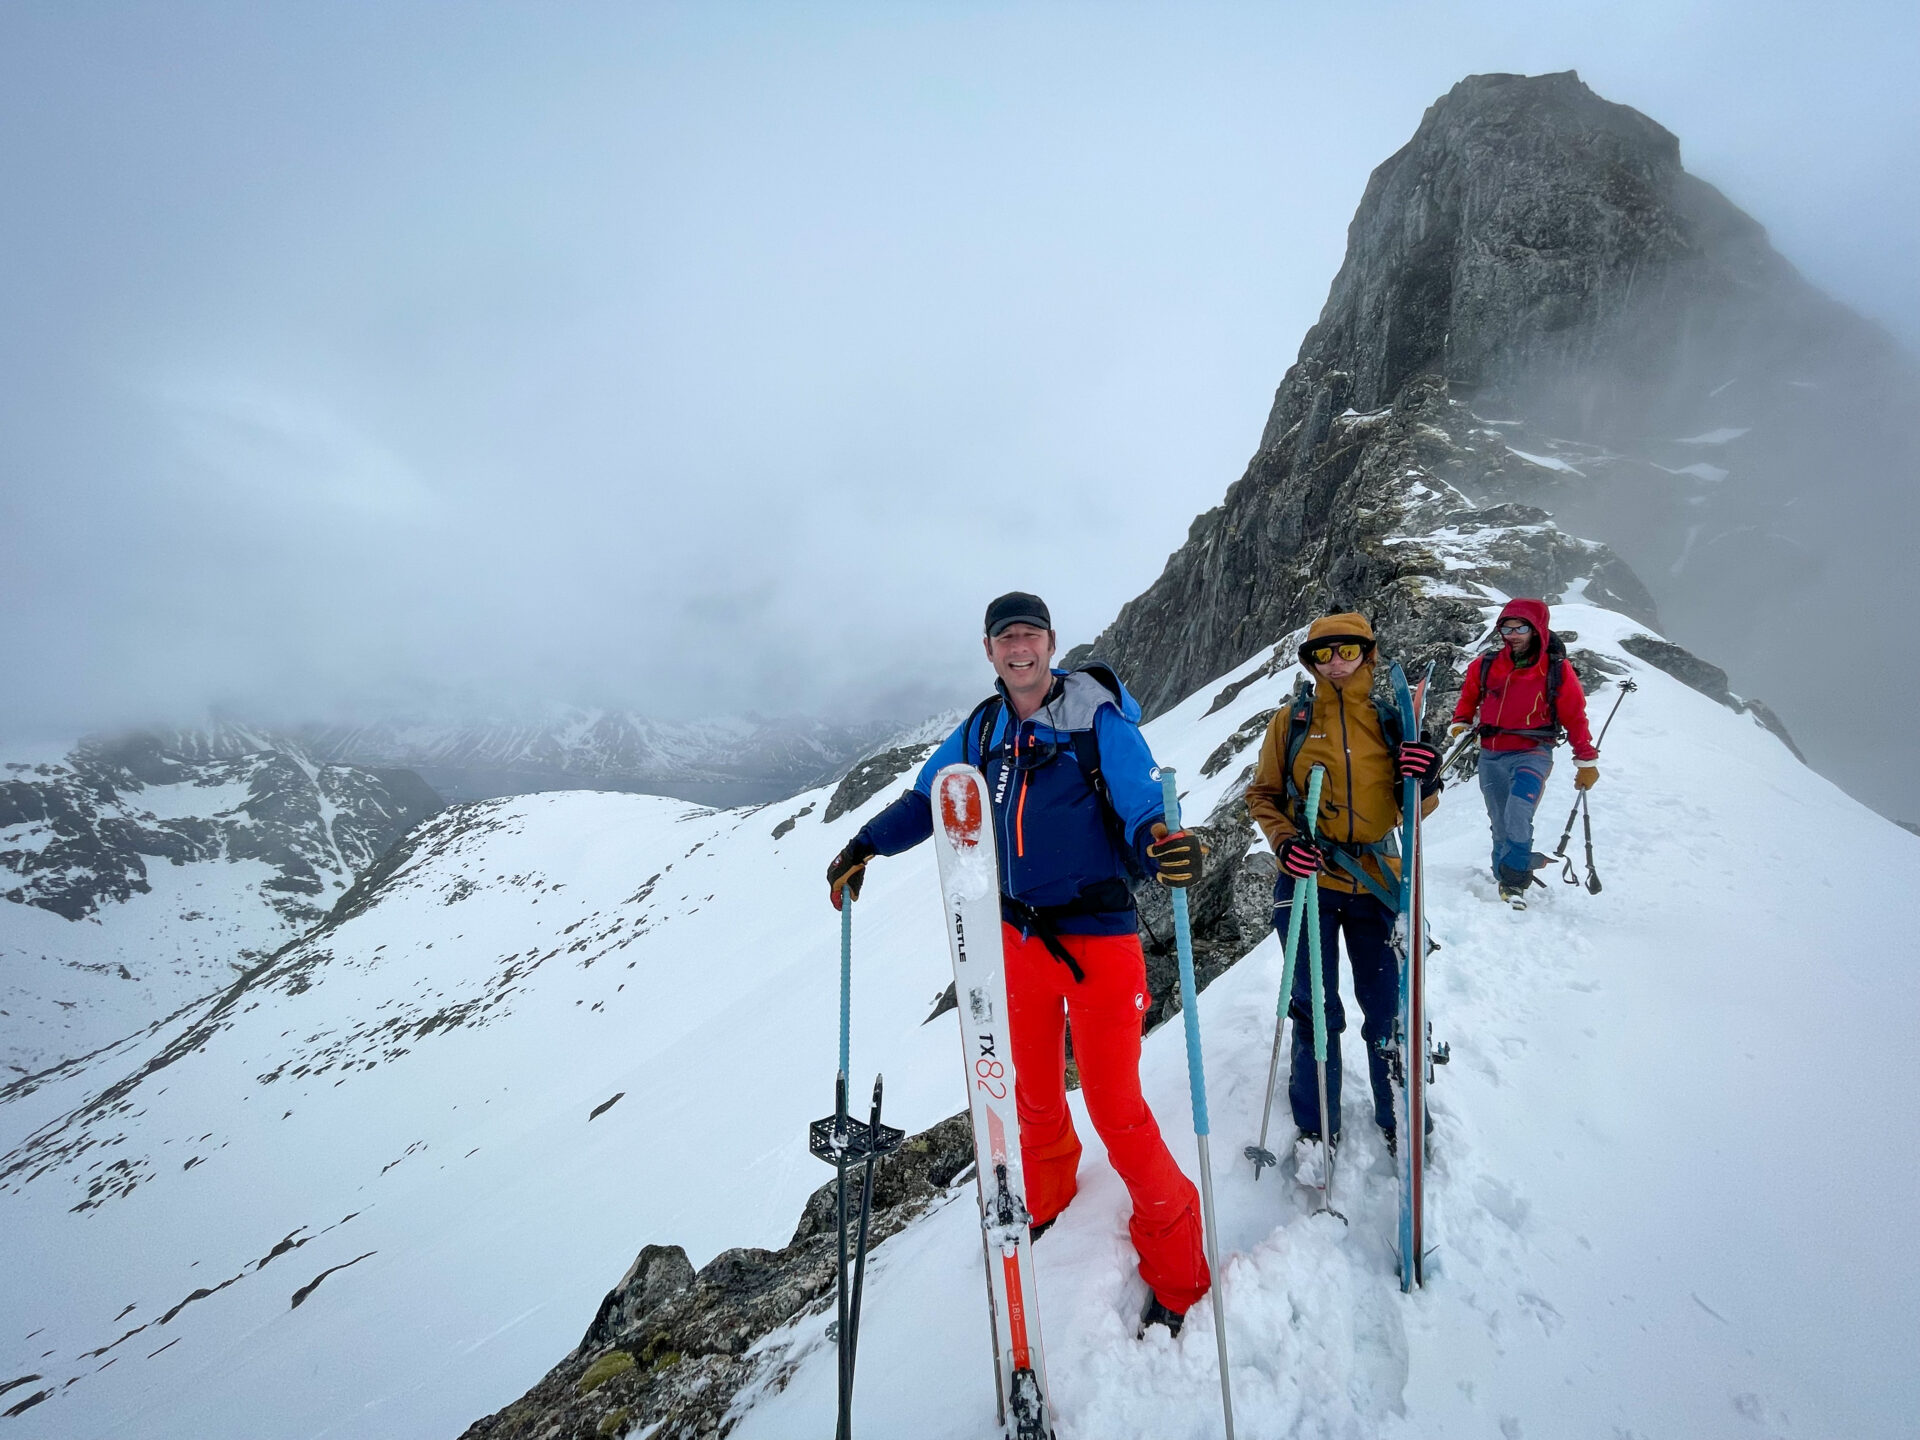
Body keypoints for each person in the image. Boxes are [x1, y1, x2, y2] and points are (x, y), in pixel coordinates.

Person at [824, 591, 1210, 1337]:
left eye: (1030, 634)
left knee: (1116, 1109)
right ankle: (1049, 1194)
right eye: (1006, 638)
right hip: (1017, 941)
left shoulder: (1096, 717)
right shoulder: (983, 727)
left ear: (1051, 643)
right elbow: (930, 800)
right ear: (990, 651)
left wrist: (1165, 842)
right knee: (1029, 1093)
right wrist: (864, 844)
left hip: (1099, 939)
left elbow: (1140, 806)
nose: (1019, 647)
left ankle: (1178, 1265)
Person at [1244, 612, 1441, 1159]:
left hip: (1378, 881)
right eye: (1324, 653)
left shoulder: (1390, 718)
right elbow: (1262, 794)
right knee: (1315, 1008)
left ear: (1366, 654)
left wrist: (1428, 777)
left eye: (1346, 651)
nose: (1335, 662)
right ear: (1311, 661)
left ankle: (1398, 1112)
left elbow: (1416, 810)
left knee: (1386, 1010)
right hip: (1309, 878)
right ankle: (1316, 1123)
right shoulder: (1293, 721)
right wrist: (1285, 842)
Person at [1448, 598, 1598, 903]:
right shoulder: (1486, 665)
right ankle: (1506, 873)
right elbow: (1468, 700)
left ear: (1537, 629)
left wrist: (1585, 760)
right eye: (1507, 627)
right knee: (1500, 821)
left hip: (1533, 752)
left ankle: (1516, 880)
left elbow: (1574, 714)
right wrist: (1460, 725)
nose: (1513, 634)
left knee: (1517, 812)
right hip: (1491, 755)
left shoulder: (1556, 669)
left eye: (1522, 627)